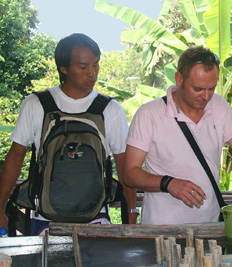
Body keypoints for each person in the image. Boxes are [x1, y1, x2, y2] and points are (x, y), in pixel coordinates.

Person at [0, 33, 138, 236]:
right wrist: (1, 206)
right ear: (63, 68)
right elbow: (16, 155)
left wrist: (131, 214)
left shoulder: (110, 108)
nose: (92, 73)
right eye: (83, 67)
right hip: (45, 219)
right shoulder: (37, 104)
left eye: (96, 65)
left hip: (96, 218)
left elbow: (125, 166)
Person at [123, 46, 232, 225]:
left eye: (211, 89)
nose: (206, 96)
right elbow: (130, 173)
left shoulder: (219, 105)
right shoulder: (149, 114)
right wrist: (168, 183)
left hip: (210, 226)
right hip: (162, 229)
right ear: (179, 79)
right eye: (198, 89)